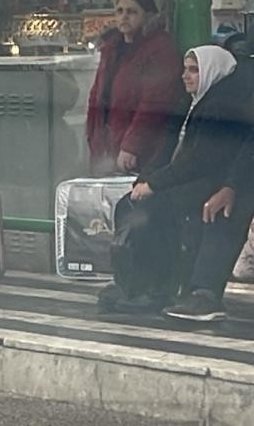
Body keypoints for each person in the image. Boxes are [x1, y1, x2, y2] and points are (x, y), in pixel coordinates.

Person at [101, 45, 254, 317]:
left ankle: (203, 293)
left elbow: (206, 158)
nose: (185, 76)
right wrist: (146, 181)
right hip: (204, 181)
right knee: (135, 206)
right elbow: (168, 149)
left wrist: (156, 184)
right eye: (185, 69)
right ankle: (139, 283)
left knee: (213, 212)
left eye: (194, 70)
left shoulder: (224, 106)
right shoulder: (190, 103)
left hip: (229, 183)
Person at [85, 0, 182, 177]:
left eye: (132, 12)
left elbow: (155, 103)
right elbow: (96, 95)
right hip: (106, 145)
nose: (124, 17)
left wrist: (132, 146)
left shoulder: (160, 50)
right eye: (120, 11)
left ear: (148, 16)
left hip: (140, 151)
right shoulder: (111, 49)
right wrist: (92, 137)